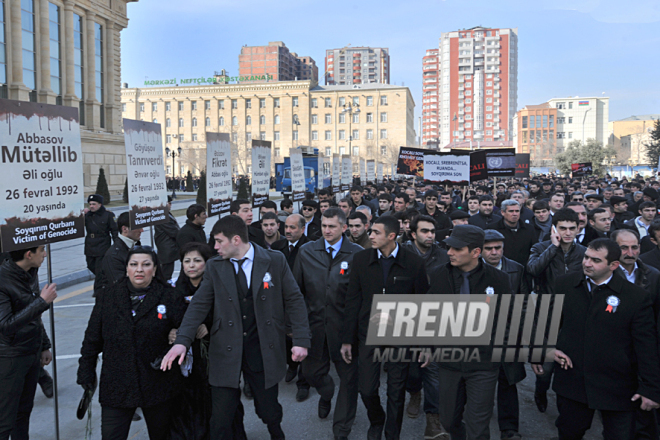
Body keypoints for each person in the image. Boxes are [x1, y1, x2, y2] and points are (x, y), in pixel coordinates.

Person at [161, 215, 311, 440]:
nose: (215, 247)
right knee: (219, 419)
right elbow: (199, 305)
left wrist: (300, 340)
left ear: (236, 240)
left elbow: (294, 300)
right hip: (226, 350)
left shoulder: (274, 260)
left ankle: (275, 429)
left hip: (262, 348)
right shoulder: (215, 265)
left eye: (219, 241)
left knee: (268, 409)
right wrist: (182, 341)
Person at [552, 238, 660, 440]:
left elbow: (646, 346)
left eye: (595, 260)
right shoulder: (565, 284)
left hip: (618, 388)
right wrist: (547, 349)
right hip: (573, 383)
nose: (587, 263)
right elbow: (547, 322)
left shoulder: (635, 297)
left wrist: (651, 389)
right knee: (569, 432)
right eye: (586, 257)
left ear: (613, 265)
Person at [78, 246, 184, 440]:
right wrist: (86, 369)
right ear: (126, 268)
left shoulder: (169, 296)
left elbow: (185, 331)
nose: (139, 270)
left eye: (146, 264)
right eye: (133, 264)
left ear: (155, 268)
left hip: (157, 382)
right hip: (117, 382)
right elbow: (92, 338)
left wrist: (177, 336)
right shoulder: (108, 296)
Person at [341, 216, 429, 440]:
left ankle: (392, 434)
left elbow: (423, 304)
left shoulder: (414, 263)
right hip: (368, 333)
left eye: (375, 233)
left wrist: (424, 342)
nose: (370, 236)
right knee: (367, 389)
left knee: (396, 391)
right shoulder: (361, 259)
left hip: (400, 334)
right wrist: (347, 339)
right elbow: (353, 300)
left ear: (391, 236)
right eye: (370, 232)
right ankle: (377, 419)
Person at [428, 225, 512, 440]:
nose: (449, 253)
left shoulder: (499, 279)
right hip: (449, 362)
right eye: (449, 247)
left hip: (483, 364)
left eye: (457, 249)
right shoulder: (438, 275)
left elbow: (507, 318)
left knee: (478, 423)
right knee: (448, 420)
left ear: (475, 252)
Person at [293, 208, 364, 439]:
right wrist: (296, 328)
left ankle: (341, 428)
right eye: (324, 226)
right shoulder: (306, 251)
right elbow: (296, 292)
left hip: (345, 330)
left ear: (344, 228)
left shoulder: (357, 254)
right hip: (314, 328)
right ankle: (325, 393)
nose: (327, 230)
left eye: (332, 226)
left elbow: (362, 296)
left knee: (349, 379)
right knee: (312, 373)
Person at [169, 242, 247, 440]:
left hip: (216, 358)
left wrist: (211, 327)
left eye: (197, 260)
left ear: (208, 263)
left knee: (221, 404)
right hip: (187, 364)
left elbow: (233, 318)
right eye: (187, 261)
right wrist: (171, 332)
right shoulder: (175, 290)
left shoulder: (219, 286)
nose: (191, 266)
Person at [527, 208, 587, 414]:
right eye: (563, 228)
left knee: (572, 364)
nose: (568, 232)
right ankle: (540, 391)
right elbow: (533, 270)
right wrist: (552, 248)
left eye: (572, 228)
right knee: (546, 367)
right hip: (547, 312)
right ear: (555, 228)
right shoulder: (541, 247)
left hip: (575, 314)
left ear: (579, 228)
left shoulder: (585, 252)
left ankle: (567, 405)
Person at [0, 246, 56, 440]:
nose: (45, 254)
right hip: (11, 358)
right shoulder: (3, 279)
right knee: (5, 420)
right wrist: (42, 301)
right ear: (28, 254)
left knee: (23, 414)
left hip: (31, 352)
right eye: (42, 250)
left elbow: (33, 315)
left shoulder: (30, 273)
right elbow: (5, 325)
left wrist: (44, 345)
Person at [401, 215, 448, 439]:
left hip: (434, 319)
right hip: (405, 318)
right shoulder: (400, 253)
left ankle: (433, 417)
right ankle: (414, 393)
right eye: (424, 231)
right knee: (411, 369)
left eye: (432, 231)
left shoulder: (443, 255)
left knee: (433, 370)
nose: (430, 235)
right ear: (413, 234)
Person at [481, 230, 530, 440]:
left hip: (508, 332)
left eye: (498, 248)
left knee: (507, 382)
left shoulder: (516, 269)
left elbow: (524, 303)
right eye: (489, 249)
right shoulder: (470, 269)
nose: (494, 253)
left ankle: (509, 428)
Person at [270, 214, 311, 401]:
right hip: (280, 303)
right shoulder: (277, 248)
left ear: (302, 229)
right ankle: (292, 365)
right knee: (286, 339)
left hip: (304, 302)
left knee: (302, 340)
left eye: (293, 227)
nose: (288, 231)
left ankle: (304, 382)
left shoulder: (310, 247)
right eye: (286, 227)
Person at [94, 212, 143, 297]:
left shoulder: (136, 246)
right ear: (124, 229)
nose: (141, 230)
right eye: (137, 227)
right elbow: (119, 285)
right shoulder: (113, 255)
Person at [486, 200, 538, 267]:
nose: (514, 214)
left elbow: (534, 250)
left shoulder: (529, 229)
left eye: (517, 211)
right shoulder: (492, 229)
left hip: (524, 270)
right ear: (502, 212)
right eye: (511, 211)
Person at [84, 194, 118, 275]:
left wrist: (117, 245)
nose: (91, 206)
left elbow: (114, 231)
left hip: (102, 244)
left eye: (94, 204)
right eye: (90, 204)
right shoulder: (87, 215)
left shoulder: (108, 215)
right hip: (90, 245)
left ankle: (101, 283)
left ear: (100, 204)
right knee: (90, 265)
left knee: (100, 268)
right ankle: (103, 279)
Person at [154, 196, 181, 281]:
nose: (170, 205)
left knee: (168, 271)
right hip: (166, 248)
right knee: (166, 273)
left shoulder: (166, 214)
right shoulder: (162, 216)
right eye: (169, 203)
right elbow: (173, 231)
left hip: (168, 247)